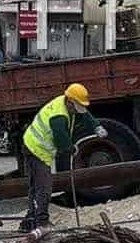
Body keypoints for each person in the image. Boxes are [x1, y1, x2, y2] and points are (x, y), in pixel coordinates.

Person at [19, 83, 107, 233]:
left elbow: (84, 114)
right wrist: (71, 148)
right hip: (35, 148)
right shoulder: (58, 118)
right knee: (44, 187)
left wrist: (96, 126)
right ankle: (41, 223)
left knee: (36, 186)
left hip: (38, 148)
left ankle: (29, 220)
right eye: (77, 106)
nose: (78, 110)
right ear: (70, 101)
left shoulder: (66, 102)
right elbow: (62, 143)